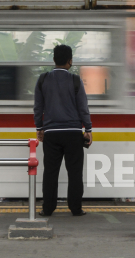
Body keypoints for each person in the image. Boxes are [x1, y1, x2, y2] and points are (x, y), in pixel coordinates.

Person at [34, 44, 93, 217]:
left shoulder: (43, 79)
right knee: (74, 172)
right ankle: (75, 208)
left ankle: (48, 208)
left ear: (54, 60)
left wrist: (39, 128)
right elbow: (83, 107)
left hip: (51, 133)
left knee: (50, 172)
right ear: (70, 61)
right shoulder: (75, 80)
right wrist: (88, 129)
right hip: (73, 133)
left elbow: (38, 107)